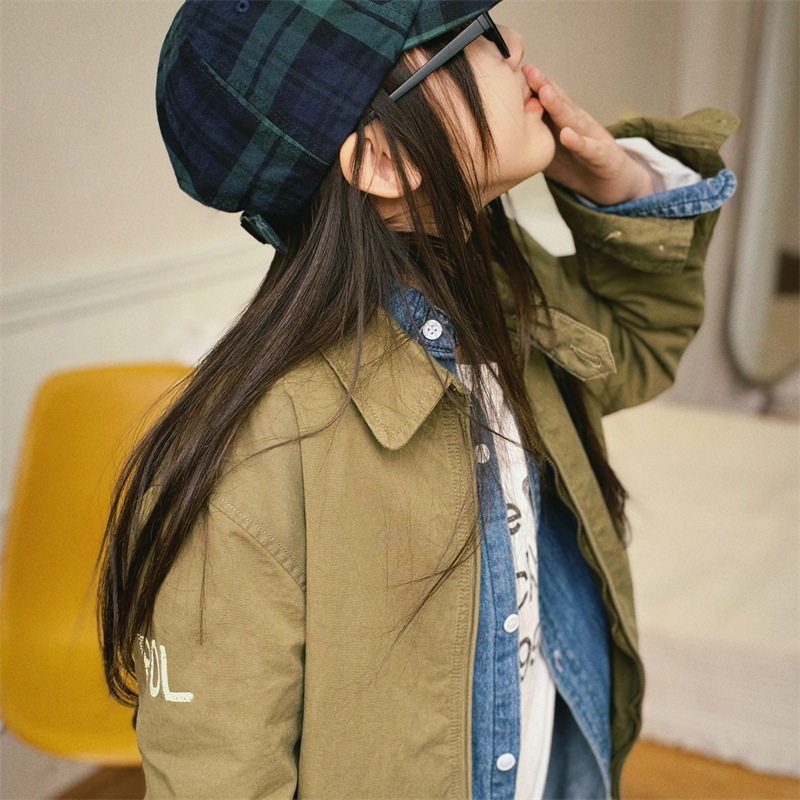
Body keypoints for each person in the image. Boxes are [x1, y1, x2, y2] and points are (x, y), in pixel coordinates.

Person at [98, 2, 737, 798]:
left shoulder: (497, 289)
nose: (515, 45)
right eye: (472, 38)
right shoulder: (255, 462)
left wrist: (625, 184)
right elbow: (217, 777)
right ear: (383, 161)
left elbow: (638, 345)